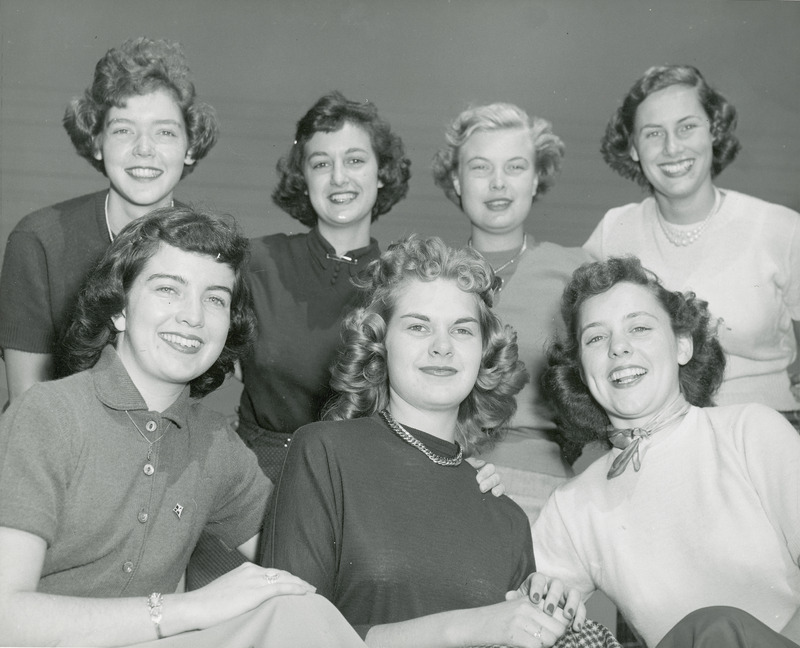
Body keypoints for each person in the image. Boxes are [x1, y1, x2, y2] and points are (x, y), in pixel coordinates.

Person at [0, 206, 366, 647]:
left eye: (215, 298)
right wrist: (188, 609)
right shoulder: (49, 415)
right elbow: (6, 617)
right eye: (169, 289)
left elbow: (317, 569)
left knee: (298, 609)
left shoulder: (215, 445)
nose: (193, 316)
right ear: (118, 309)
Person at [264, 236, 620, 648]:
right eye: (418, 326)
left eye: (462, 330)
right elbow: (285, 634)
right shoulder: (325, 454)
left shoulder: (506, 518)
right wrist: (467, 628)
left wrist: (545, 617)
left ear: (485, 351)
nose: (442, 346)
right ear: (380, 342)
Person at [529, 256, 800, 647]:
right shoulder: (573, 507)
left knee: (716, 628)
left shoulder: (749, 432)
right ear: (580, 369)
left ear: (683, 346)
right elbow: (513, 617)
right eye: (595, 338)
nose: (619, 347)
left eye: (639, 327)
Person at [0, 36, 218, 404]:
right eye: (123, 130)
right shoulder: (39, 239)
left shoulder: (211, 250)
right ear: (97, 141)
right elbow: (27, 403)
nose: (144, 149)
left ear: (190, 145)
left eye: (164, 131)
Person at [583, 64, 800, 425]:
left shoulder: (781, 228)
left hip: (768, 426)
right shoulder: (613, 231)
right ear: (633, 148)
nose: (672, 147)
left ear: (713, 132)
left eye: (687, 127)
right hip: (655, 434)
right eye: (653, 133)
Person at [237, 91, 410, 484]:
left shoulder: (401, 282)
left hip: (362, 482)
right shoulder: (256, 262)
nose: (338, 178)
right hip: (256, 476)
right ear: (303, 178)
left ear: (381, 172)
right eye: (321, 163)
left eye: (354, 160)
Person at [432, 102, 589, 522]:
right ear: (456, 179)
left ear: (537, 178)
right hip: (439, 478)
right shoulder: (429, 276)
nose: (498, 183)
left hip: (546, 495)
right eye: (481, 167)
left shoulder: (576, 272)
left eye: (515, 167)